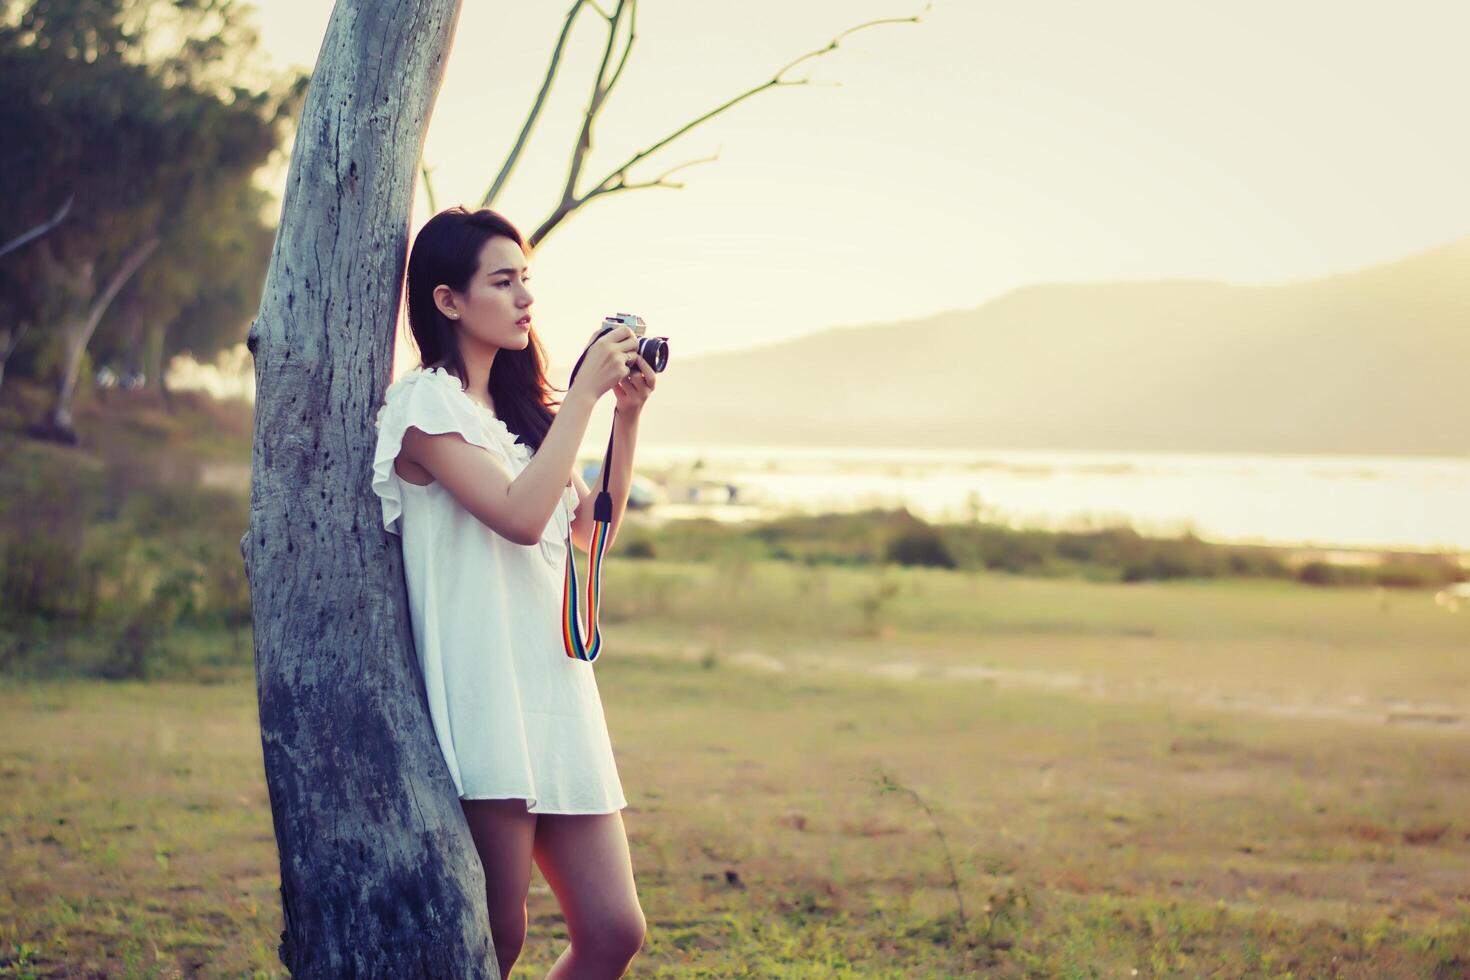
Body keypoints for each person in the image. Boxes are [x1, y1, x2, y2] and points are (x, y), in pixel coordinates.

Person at [370, 206, 656, 978]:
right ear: (448, 301)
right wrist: (585, 402)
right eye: (503, 281)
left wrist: (624, 418)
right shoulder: (424, 406)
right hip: (486, 689)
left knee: (613, 930)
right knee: (498, 938)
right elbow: (521, 519)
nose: (526, 298)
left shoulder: (524, 417)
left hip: (556, 684)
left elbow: (588, 535)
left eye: (527, 279)